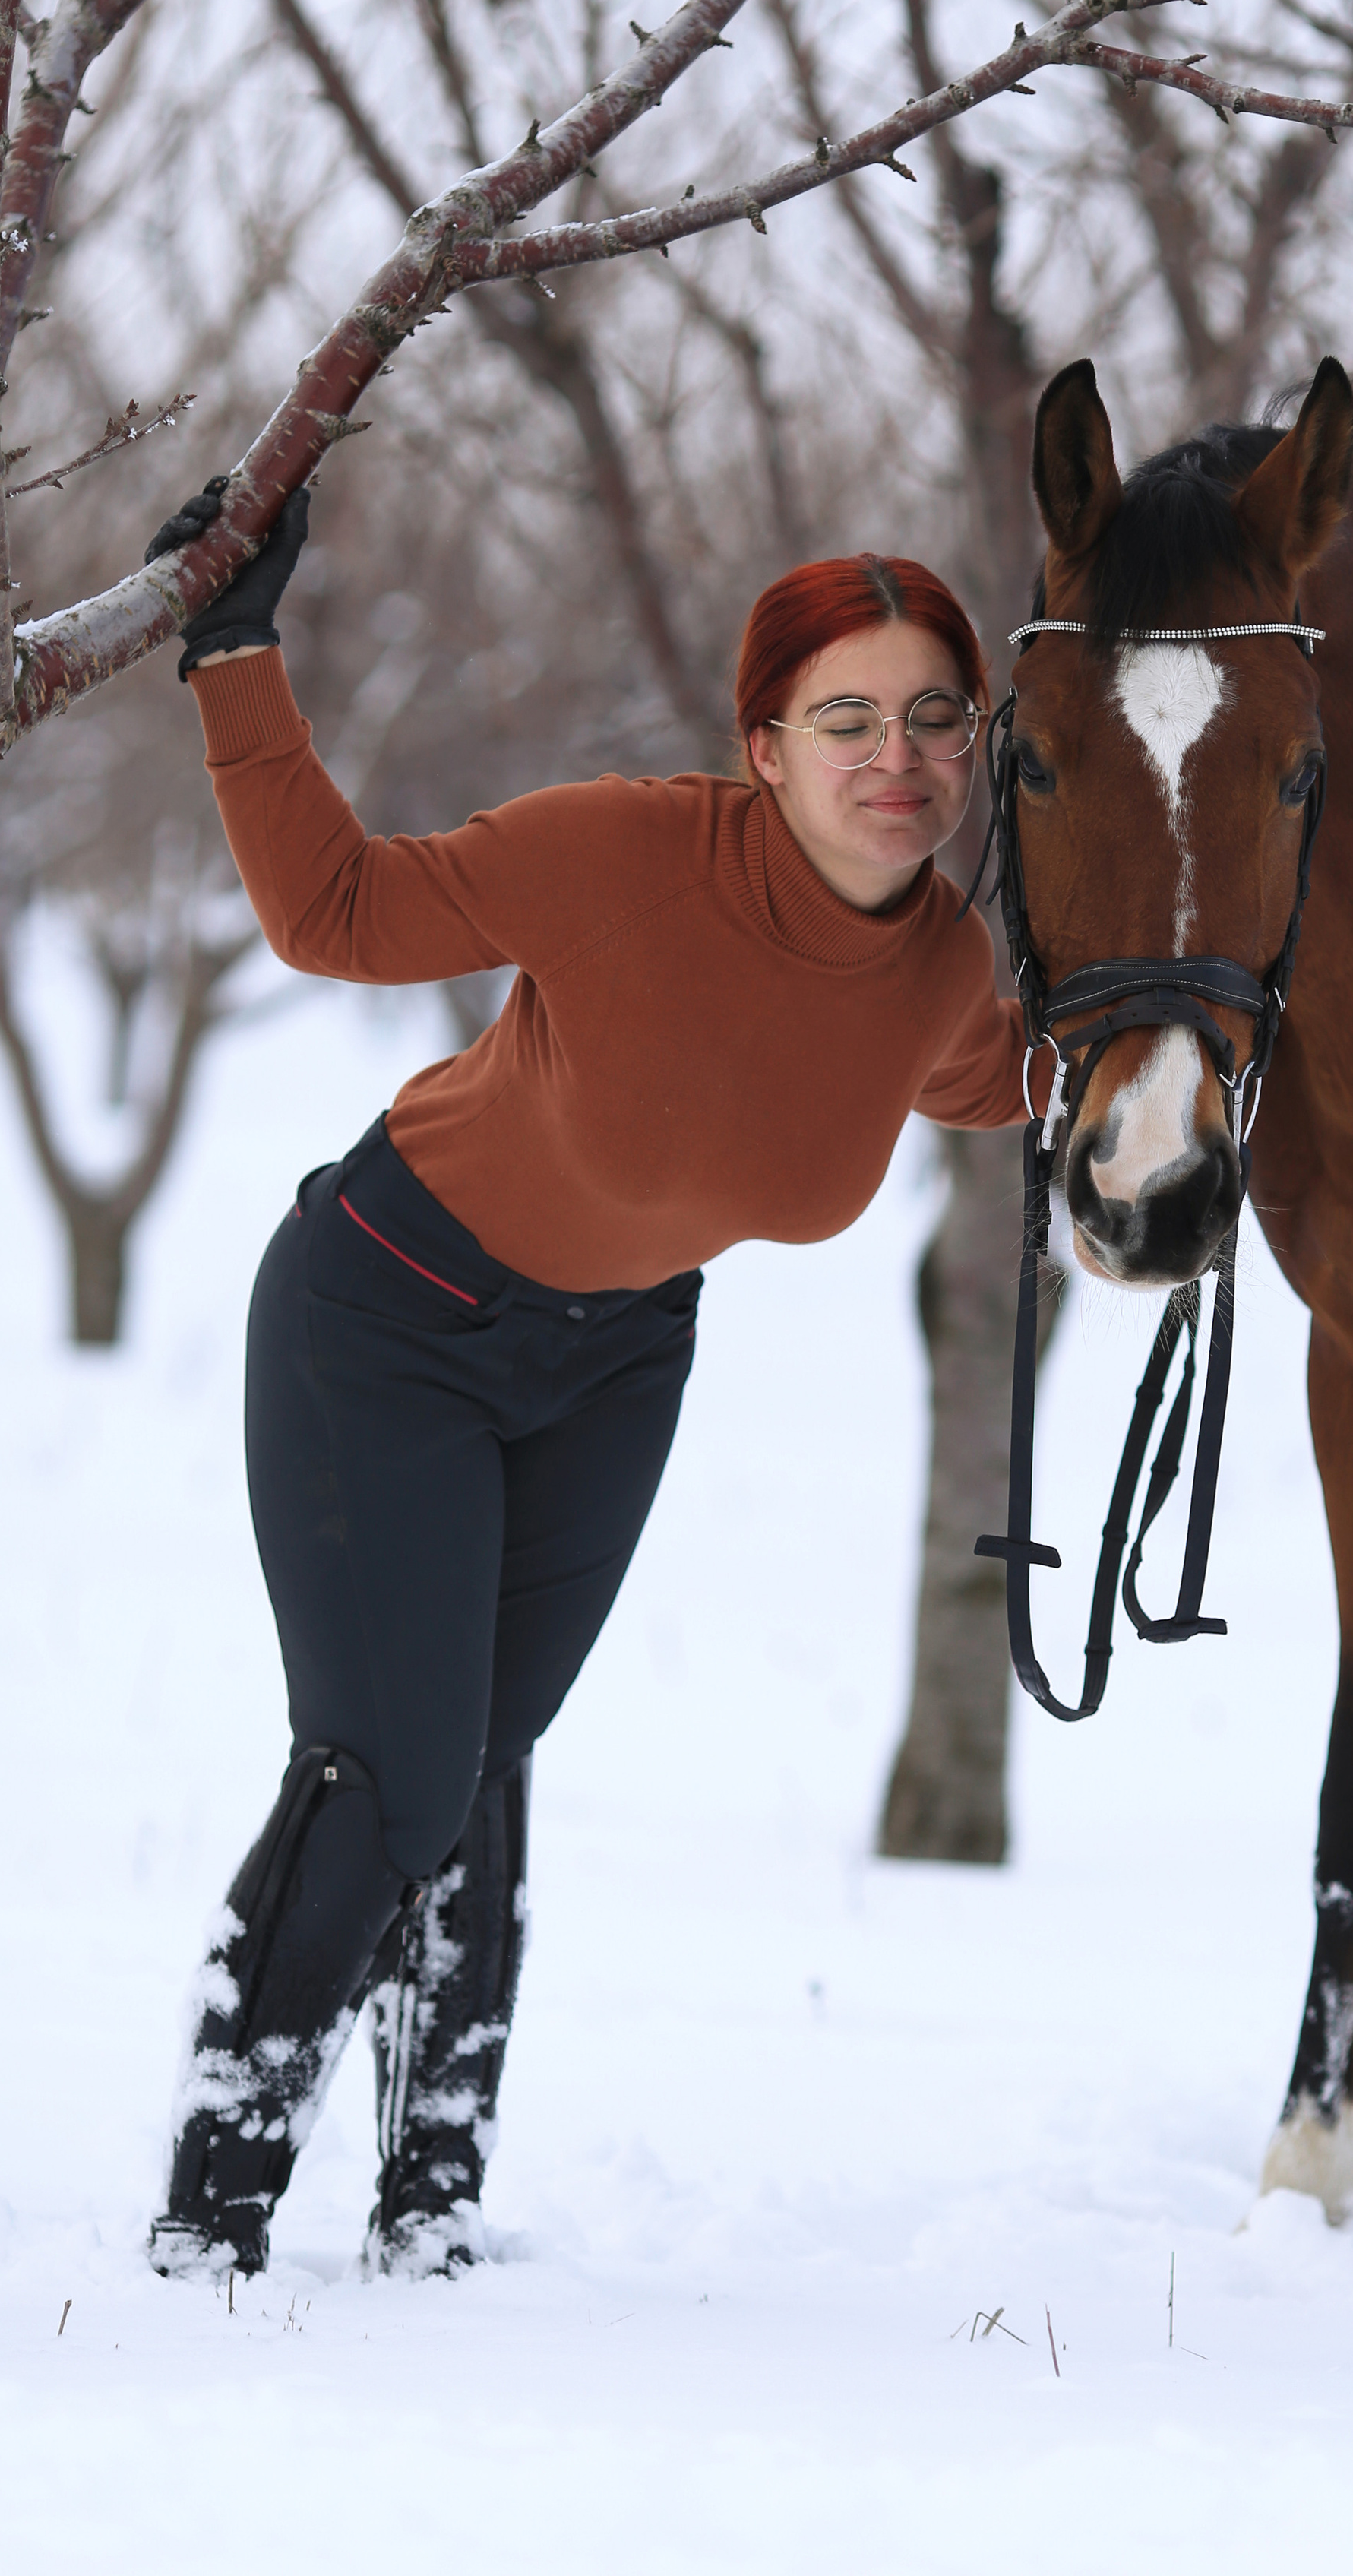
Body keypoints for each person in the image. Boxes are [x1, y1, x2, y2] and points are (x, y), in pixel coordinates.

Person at [144, 483, 1028, 2281]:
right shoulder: (627, 852)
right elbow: (336, 913)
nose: (898, 758)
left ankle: (431, 2211)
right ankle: (208, 2227)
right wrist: (234, 655)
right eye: (846, 719)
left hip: (616, 1359)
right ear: (761, 746)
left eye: (936, 716)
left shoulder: (939, 967)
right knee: (390, 1770)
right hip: (383, 1317)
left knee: (482, 1768)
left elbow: (1000, 1079)